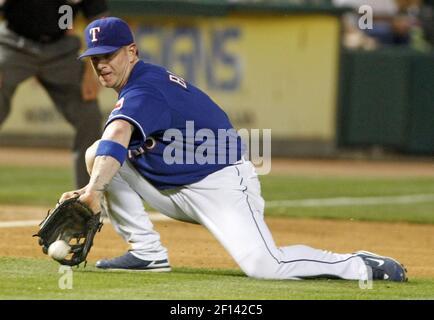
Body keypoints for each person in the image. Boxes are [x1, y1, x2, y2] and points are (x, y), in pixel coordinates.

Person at [60, 16, 407, 282]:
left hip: (222, 186)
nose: (102, 64)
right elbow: (115, 144)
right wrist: (95, 185)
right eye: (95, 58)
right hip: (172, 187)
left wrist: (93, 190)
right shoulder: (138, 85)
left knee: (264, 265)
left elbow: (120, 130)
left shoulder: (144, 90)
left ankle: (359, 264)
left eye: (109, 54)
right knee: (98, 154)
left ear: (131, 52)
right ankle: (147, 253)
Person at [0, 0, 108, 188]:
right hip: (13, 44)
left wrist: (93, 69)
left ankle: (86, 201)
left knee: (88, 115)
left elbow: (101, 23)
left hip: (62, 50)